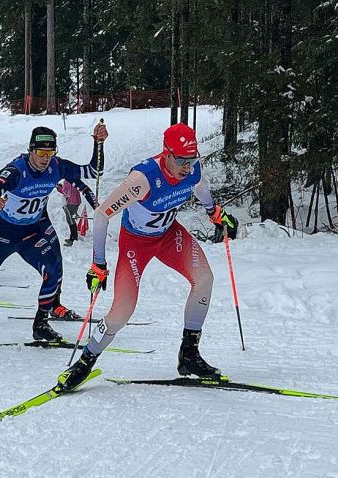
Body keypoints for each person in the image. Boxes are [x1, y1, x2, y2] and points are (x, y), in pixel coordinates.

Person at [57, 123, 237, 391]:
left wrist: (214, 212)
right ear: (166, 154)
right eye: (181, 160)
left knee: (204, 279)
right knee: (121, 312)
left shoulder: (191, 169)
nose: (187, 167)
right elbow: (102, 215)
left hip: (168, 235)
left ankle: (189, 355)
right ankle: (84, 363)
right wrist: (98, 263)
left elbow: (200, 187)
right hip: (136, 243)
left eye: (192, 160)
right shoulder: (141, 179)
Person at [0, 123, 108, 349]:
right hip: (5, 233)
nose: (46, 158)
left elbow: (94, 171)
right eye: (41, 153)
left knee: (54, 270)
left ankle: (41, 323)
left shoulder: (56, 166)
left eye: (50, 152)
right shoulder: (17, 170)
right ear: (30, 149)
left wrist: (98, 143)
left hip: (33, 230)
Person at [56, 180, 81, 246]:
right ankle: (73, 237)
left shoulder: (67, 180)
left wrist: (60, 189)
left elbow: (67, 193)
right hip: (76, 201)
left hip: (71, 203)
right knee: (71, 219)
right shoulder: (74, 178)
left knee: (70, 220)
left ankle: (73, 239)